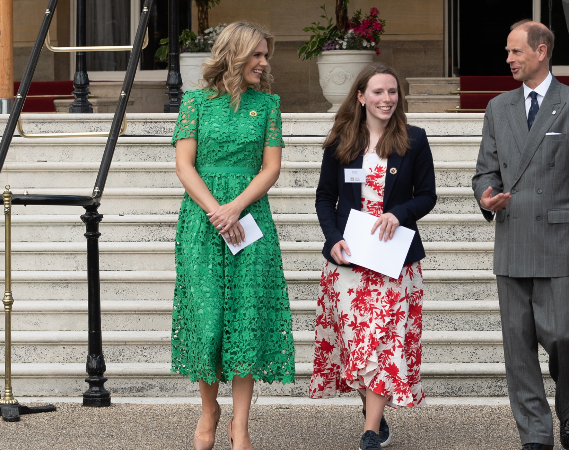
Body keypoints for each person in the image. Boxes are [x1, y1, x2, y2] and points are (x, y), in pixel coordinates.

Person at [472, 20, 569, 450]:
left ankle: (568, 404)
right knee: (519, 349)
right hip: (512, 239)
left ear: (541, 51)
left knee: (563, 336)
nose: (508, 59)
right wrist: (486, 196)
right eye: (508, 53)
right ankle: (535, 432)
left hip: (560, 243)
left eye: (515, 52)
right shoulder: (498, 107)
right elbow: (484, 171)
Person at [170, 21, 295, 450]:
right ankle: (210, 409)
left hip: (250, 219)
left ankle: (241, 426)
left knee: (244, 320)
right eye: (257, 55)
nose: (264, 62)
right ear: (234, 55)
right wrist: (215, 211)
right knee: (207, 320)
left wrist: (236, 207)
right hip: (202, 222)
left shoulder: (269, 105)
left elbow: (271, 168)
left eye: (265, 55)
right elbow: (185, 165)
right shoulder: (195, 104)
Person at [310, 63, 437, 450]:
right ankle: (373, 414)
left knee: (383, 343)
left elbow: (427, 195)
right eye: (379, 92)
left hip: (394, 265)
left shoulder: (413, 139)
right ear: (361, 96)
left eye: (393, 92)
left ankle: (370, 431)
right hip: (349, 264)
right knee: (355, 347)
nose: (387, 99)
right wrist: (332, 238)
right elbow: (324, 198)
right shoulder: (340, 143)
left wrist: (399, 214)